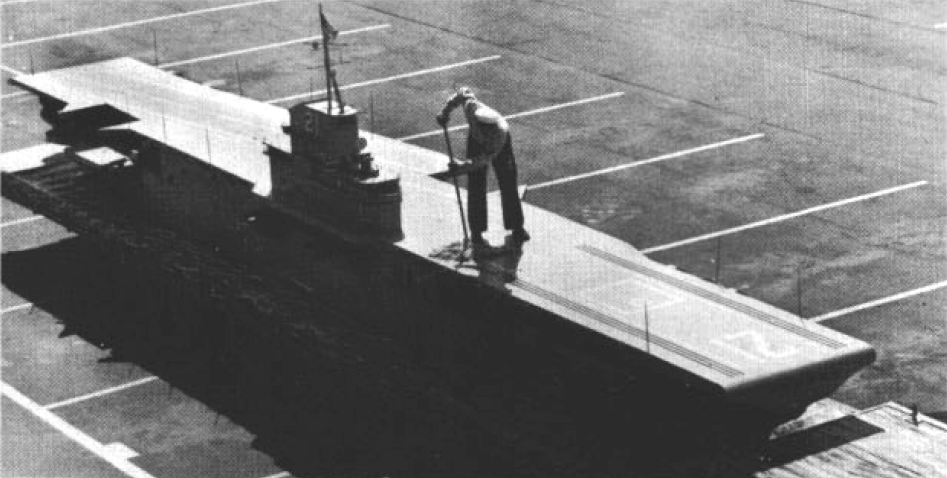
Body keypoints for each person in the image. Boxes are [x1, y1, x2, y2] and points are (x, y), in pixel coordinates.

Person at [436, 87, 529, 245]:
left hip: (498, 149)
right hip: (475, 141)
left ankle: (517, 228)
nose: (484, 132)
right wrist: (445, 111)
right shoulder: (472, 107)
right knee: (476, 184)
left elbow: (481, 161)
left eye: (487, 131)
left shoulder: (499, 135)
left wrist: (461, 166)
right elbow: (462, 92)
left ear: (491, 128)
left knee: (507, 182)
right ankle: (476, 231)